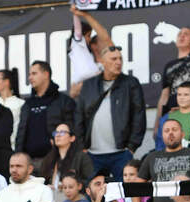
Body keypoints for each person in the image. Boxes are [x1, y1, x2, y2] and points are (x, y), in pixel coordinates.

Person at [75, 46, 146, 180]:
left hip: (121, 153)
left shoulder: (131, 83)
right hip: (92, 154)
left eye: (120, 58)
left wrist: (131, 147)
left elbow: (139, 116)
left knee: (124, 196)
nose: (118, 62)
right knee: (94, 196)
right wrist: (82, 147)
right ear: (102, 61)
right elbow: (79, 116)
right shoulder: (89, 85)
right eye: (114, 59)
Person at [17, 61, 77, 162]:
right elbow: (20, 134)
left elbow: (73, 129)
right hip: (28, 163)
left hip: (55, 160)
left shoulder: (64, 101)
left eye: (34, 73)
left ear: (46, 74)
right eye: (29, 74)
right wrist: (18, 156)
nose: (30, 78)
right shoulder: (27, 104)